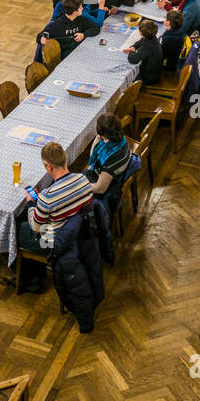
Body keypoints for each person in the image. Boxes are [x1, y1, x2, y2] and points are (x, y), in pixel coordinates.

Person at [15, 141, 95, 291]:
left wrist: (31, 204)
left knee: (14, 230)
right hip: (79, 233)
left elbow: (36, 227)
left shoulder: (48, 196)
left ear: (49, 167)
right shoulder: (84, 180)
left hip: (53, 241)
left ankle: (29, 278)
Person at [85, 114, 133, 215]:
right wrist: (99, 137)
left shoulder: (108, 159)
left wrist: (78, 188)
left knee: (69, 194)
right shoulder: (121, 140)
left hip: (105, 187)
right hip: (109, 175)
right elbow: (93, 154)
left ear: (105, 136)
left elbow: (100, 188)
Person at [127, 19, 162, 86]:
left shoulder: (147, 47)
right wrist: (134, 46)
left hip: (149, 78)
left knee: (130, 81)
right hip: (156, 73)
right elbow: (141, 41)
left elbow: (132, 59)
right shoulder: (153, 38)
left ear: (140, 33)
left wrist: (131, 51)